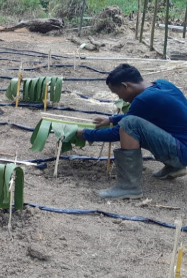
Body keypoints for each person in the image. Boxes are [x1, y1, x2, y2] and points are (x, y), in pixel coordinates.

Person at [77, 64, 187, 199]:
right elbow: (141, 114)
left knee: (130, 124)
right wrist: (111, 119)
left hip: (181, 152)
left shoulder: (144, 99)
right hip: (182, 145)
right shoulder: (162, 85)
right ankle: (174, 167)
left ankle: (128, 187)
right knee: (133, 122)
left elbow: (119, 131)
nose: (120, 98)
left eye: (117, 93)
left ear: (125, 86)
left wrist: (85, 134)